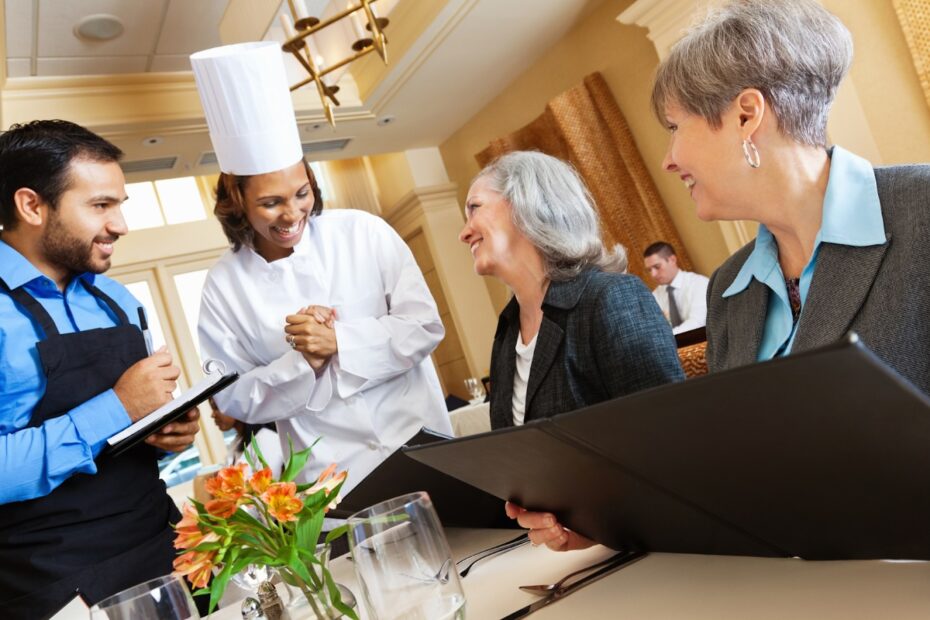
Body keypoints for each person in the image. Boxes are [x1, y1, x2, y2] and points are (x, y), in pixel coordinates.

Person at [512, 0, 930, 551]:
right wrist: (603, 518)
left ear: (746, 115)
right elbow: (739, 474)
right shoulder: (732, 288)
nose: (668, 159)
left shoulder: (922, 213)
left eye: (675, 127)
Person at [192, 42, 452, 493]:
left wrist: (339, 341)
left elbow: (425, 326)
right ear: (238, 202)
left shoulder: (363, 232)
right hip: (330, 479)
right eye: (270, 202)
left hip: (418, 441)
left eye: (302, 193)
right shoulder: (224, 285)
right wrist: (303, 362)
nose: (292, 213)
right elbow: (232, 396)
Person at [0, 120, 201, 617]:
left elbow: (130, 435)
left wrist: (167, 432)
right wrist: (119, 406)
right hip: (53, 582)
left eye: (120, 205)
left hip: (166, 547)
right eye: (100, 206)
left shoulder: (117, 299)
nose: (120, 225)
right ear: (31, 206)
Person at [458, 151, 684, 430]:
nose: (464, 233)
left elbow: (668, 429)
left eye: (474, 208)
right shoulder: (507, 330)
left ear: (526, 202)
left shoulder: (612, 298)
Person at [643, 241, 709, 334]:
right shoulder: (655, 295)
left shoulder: (699, 284)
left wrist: (667, 336)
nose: (653, 274)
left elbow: (698, 322)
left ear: (672, 260)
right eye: (649, 270)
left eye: (657, 267)